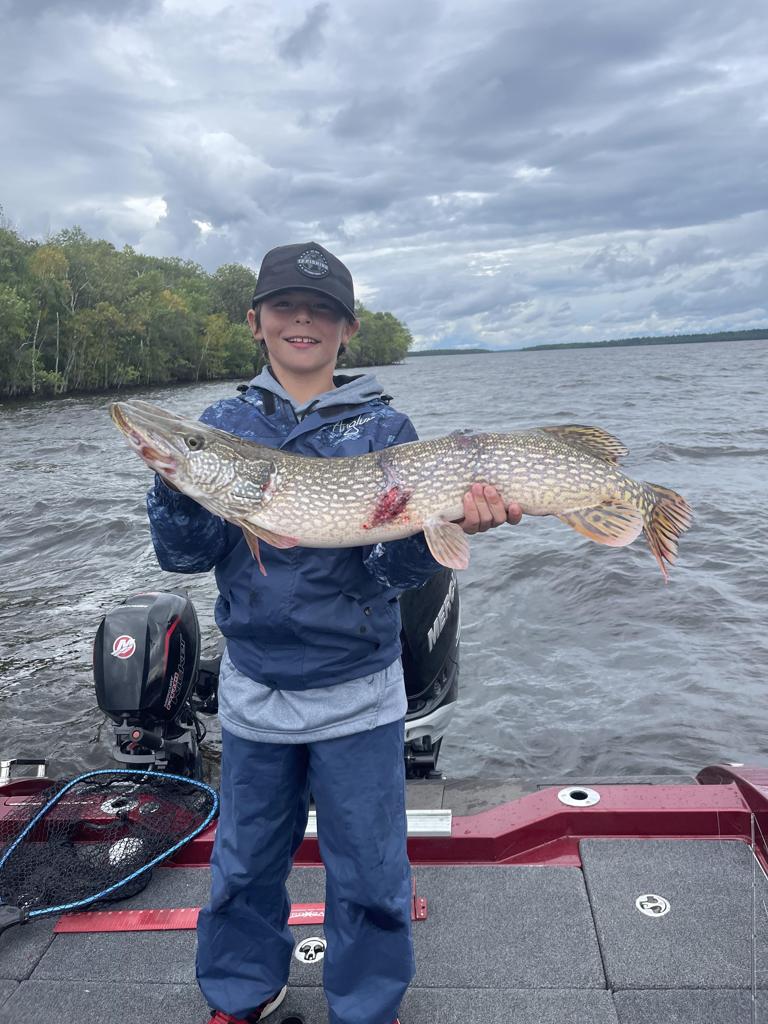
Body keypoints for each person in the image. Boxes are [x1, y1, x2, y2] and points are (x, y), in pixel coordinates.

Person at [145, 242, 522, 1024]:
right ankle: (242, 994)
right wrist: (176, 478)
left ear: (347, 329)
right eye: (285, 306)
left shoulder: (385, 427)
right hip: (257, 689)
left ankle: (368, 1006)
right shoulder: (222, 426)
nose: (303, 321)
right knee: (244, 864)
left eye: (322, 310)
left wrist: (445, 527)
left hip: (359, 692)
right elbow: (184, 555)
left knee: (372, 872)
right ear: (256, 321)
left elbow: (391, 572)